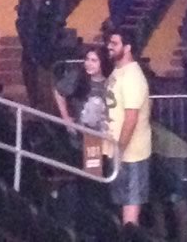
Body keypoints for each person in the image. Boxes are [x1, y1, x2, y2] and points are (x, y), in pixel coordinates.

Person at [106, 27, 153, 226]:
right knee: (121, 203)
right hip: (117, 151)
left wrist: (120, 149)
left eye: (114, 43)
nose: (109, 46)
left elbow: (131, 118)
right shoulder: (118, 71)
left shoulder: (133, 77)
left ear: (128, 47)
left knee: (130, 209)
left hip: (131, 154)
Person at [54, 45, 111, 176]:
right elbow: (58, 91)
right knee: (91, 176)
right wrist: (65, 117)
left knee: (104, 176)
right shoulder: (77, 77)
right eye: (87, 59)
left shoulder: (111, 81)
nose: (89, 64)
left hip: (107, 138)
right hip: (85, 138)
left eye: (94, 60)